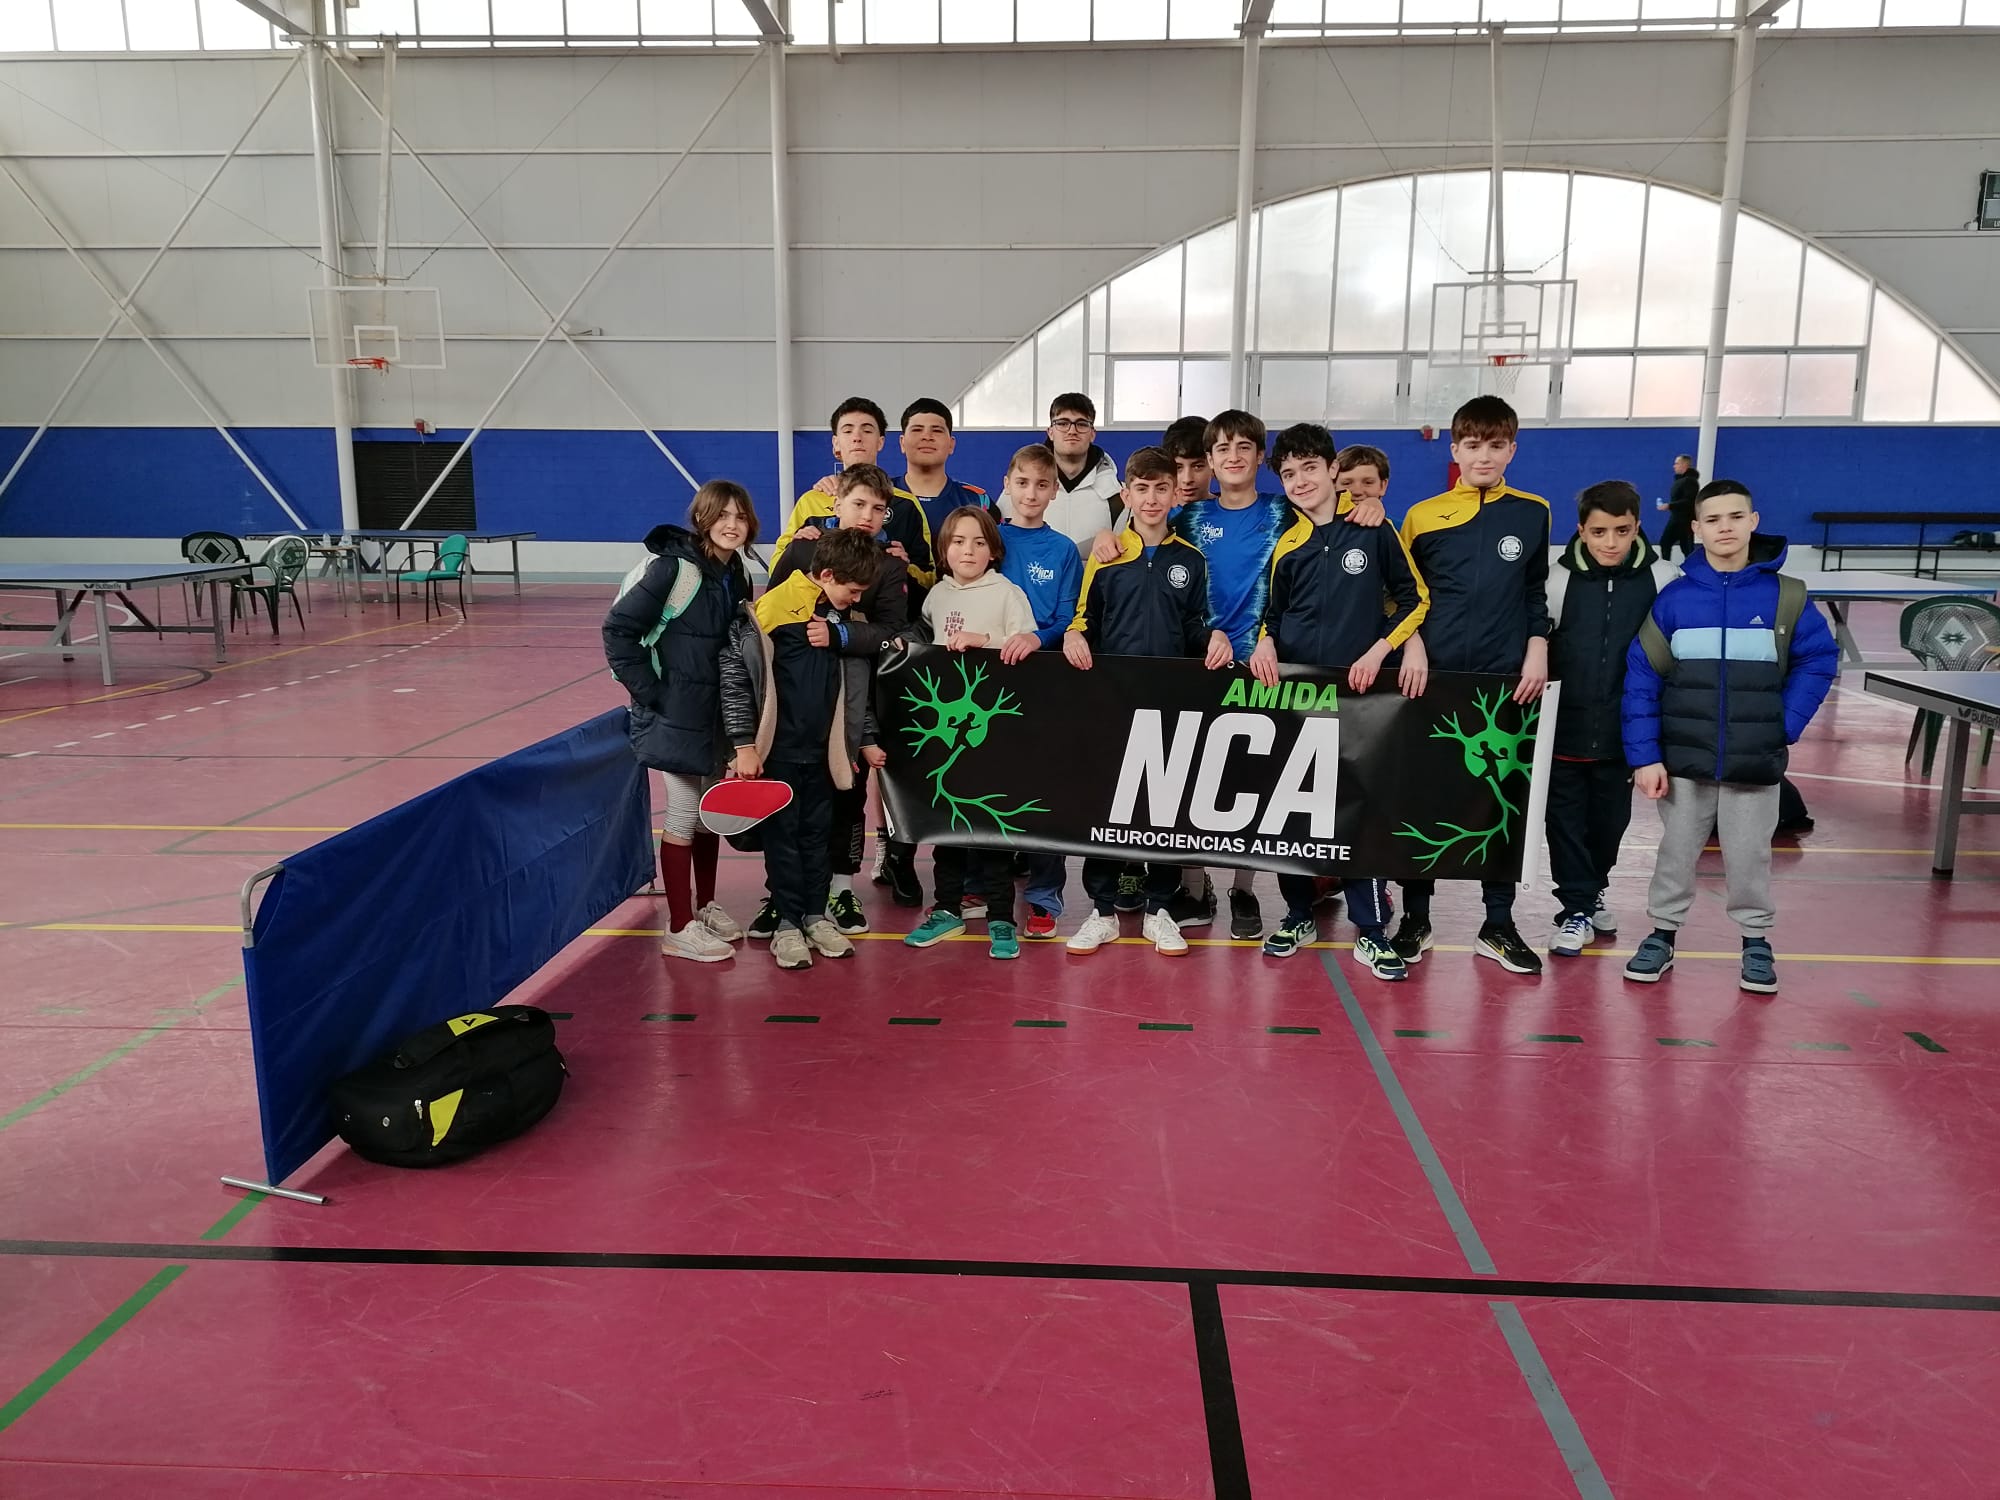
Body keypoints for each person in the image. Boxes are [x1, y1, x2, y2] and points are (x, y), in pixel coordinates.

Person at [1621, 480, 1838, 995]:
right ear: (1696, 528)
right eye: (1713, 520)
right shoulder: (1674, 600)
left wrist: (1784, 725)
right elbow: (1642, 679)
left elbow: (1818, 659)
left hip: (1754, 761)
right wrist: (1645, 756)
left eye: (1736, 517)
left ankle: (1755, 941)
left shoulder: (1786, 596)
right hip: (1683, 759)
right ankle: (1662, 934)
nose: (1725, 528)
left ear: (1753, 521)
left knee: (1750, 855)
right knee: (1676, 853)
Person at [1248, 424, 1430, 979]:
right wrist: (1265, 641)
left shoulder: (1374, 530)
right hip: (1296, 696)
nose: (1300, 481)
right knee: (1291, 810)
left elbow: (1415, 600)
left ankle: (1370, 931)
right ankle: (1298, 914)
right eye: (1288, 473)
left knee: (1356, 812)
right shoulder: (1287, 544)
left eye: (1310, 468)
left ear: (1332, 470)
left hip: (1357, 698)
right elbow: (1273, 612)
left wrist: (1379, 650)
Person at [1394, 395, 1551, 975]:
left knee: (1499, 800)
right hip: (1429, 680)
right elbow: (1403, 596)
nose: (1484, 456)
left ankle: (1498, 923)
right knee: (1422, 798)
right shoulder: (1421, 515)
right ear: (1455, 450)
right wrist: (1412, 645)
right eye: (1473, 445)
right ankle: (1415, 918)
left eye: (1496, 445)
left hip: (1504, 681)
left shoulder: (1533, 512)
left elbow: (1534, 592)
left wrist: (1537, 649)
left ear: (1513, 450)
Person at [1061, 447, 1232, 956]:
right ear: (1126, 493)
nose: (1152, 498)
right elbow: (1086, 617)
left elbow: (1195, 623)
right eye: (1142, 488)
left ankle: (1160, 910)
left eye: (1161, 488)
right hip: (1114, 702)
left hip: (1170, 704)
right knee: (1109, 804)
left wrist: (1214, 637)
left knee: (1164, 808)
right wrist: (1074, 634)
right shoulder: (1107, 556)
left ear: (1175, 493)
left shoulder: (1191, 559)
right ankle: (1103, 911)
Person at [601, 482, 758, 963]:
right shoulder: (674, 569)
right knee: (684, 813)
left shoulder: (737, 573)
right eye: (722, 515)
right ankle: (678, 927)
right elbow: (618, 630)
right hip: (675, 714)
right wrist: (654, 694)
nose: (732, 524)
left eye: (740, 516)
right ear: (702, 518)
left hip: (714, 715)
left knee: (709, 814)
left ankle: (705, 906)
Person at [719, 528, 887, 972]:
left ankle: (815, 916)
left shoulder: (840, 621)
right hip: (779, 755)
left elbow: (854, 690)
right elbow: (739, 681)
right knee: (783, 841)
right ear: (827, 575)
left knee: (818, 837)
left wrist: (864, 739)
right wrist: (743, 743)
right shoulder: (772, 610)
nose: (856, 600)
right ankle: (788, 924)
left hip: (823, 756)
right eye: (852, 591)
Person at [758, 463, 913, 936]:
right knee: (786, 808)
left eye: (878, 509)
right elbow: (765, 629)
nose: (867, 515)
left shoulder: (891, 564)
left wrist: (841, 634)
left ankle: (839, 890)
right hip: (792, 710)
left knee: (845, 799)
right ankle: (781, 897)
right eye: (859, 504)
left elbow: (893, 632)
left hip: (851, 703)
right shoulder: (801, 548)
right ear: (836, 503)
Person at [1542, 480, 1680, 957]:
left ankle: (1592, 889)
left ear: (1636, 527)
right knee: (1563, 824)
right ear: (1581, 530)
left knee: (1608, 823)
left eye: (1622, 531)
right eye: (1599, 532)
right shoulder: (1555, 581)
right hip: (1564, 729)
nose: (1611, 542)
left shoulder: (1663, 579)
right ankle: (1576, 908)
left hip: (1627, 732)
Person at [903, 506, 1041, 962]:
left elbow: (1028, 650)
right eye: (959, 542)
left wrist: (988, 642)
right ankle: (947, 909)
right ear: (944, 550)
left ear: (993, 551)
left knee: (991, 829)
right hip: (947, 737)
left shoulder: (1007, 594)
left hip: (992, 736)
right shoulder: (936, 596)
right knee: (946, 825)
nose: (969, 551)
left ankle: (1001, 916)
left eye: (979, 543)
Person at [994, 443, 1086, 939]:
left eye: (1042, 484)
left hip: (1044, 685)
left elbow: (1068, 616)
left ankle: (1044, 896)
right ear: (1007, 484)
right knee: (987, 785)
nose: (1031, 493)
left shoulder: (1064, 550)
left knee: (1044, 792)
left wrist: (1036, 638)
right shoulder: (988, 537)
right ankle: (981, 887)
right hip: (988, 687)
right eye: (1023, 482)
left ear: (1054, 492)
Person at [772, 396, 935, 587]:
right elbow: (777, 567)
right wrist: (800, 549)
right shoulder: (811, 500)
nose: (857, 437)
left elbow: (929, 577)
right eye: (848, 430)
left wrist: (905, 567)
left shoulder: (906, 504)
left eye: (867, 430)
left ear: (880, 442)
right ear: (836, 443)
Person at [1024, 393, 1124, 553]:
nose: (1072, 431)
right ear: (1050, 432)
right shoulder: (1021, 490)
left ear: (1092, 434)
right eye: (1063, 423)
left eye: (1081, 424)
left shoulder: (1117, 495)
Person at [896, 398, 992, 548]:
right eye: (917, 430)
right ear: (902, 443)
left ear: (951, 444)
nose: (927, 437)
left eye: (937, 430)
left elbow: (997, 552)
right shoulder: (880, 494)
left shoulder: (977, 500)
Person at [1657, 454, 1699, 562]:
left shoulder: (1690, 481)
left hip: (1684, 520)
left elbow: (1689, 501)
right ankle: (1669, 566)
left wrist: (1670, 505)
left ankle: (1689, 567)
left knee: (1682, 546)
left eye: (1677, 463)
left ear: (1684, 465)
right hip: (1677, 518)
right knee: (1672, 544)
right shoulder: (1680, 481)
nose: (1674, 466)